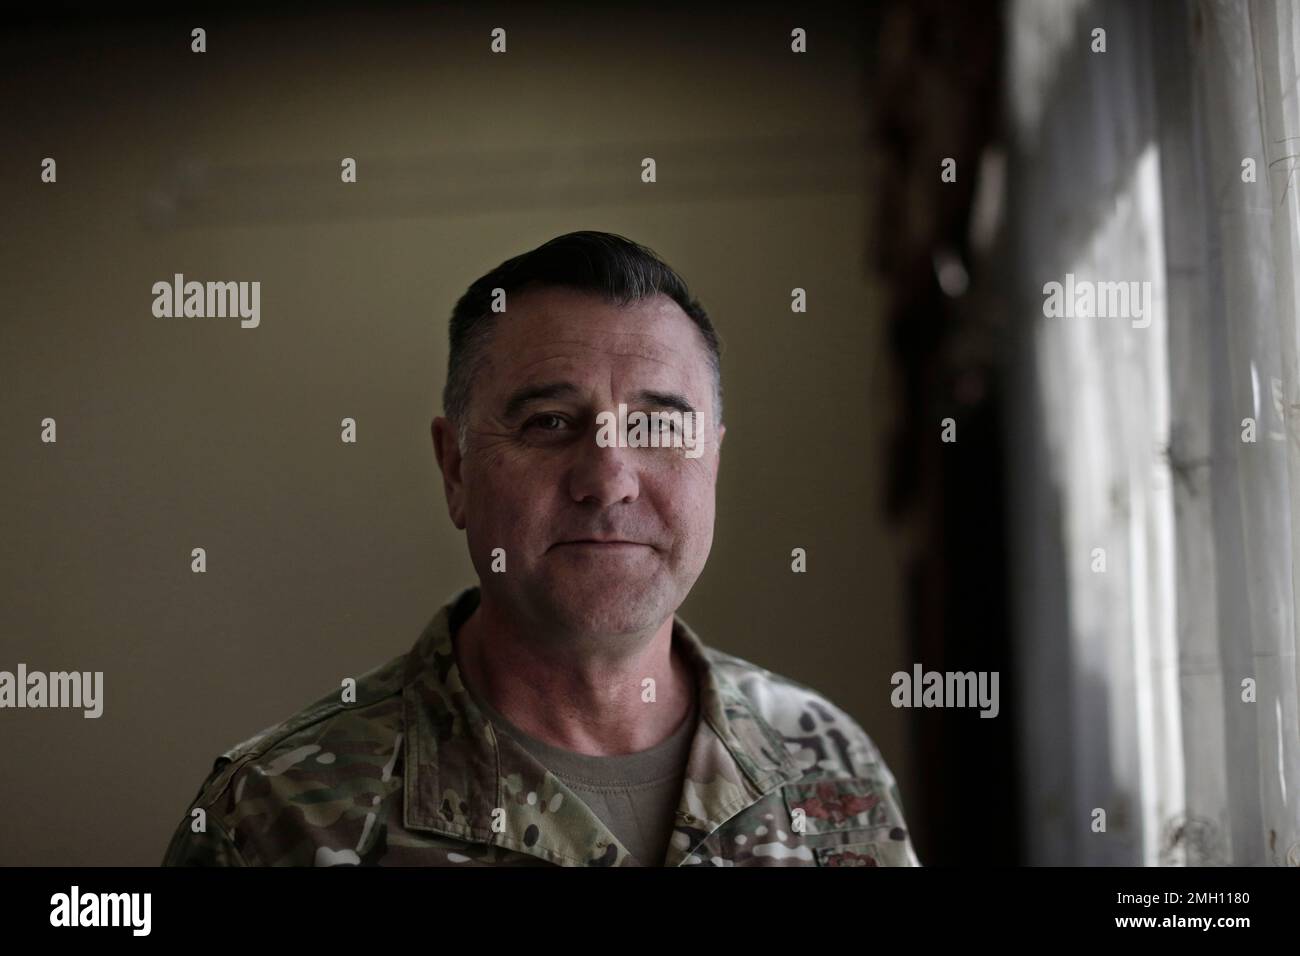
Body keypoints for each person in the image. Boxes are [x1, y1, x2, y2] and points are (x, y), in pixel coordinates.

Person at [162, 231, 920, 867]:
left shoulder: (824, 763)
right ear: (455, 469)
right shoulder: (277, 817)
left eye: (659, 427)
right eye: (550, 423)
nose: (608, 480)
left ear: (713, 459)